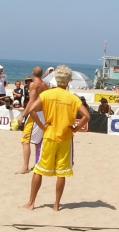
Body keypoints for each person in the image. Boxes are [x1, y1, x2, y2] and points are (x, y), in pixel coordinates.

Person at [21, 65, 90, 211]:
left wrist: (41, 126)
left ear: (56, 79)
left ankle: (31, 203)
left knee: (39, 169)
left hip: (49, 135)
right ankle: (56, 205)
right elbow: (87, 116)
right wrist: (76, 129)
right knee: (62, 172)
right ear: (69, 81)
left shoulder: (48, 94)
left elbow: (32, 110)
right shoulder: (73, 98)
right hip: (66, 137)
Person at [16, 67, 49, 175]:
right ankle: (37, 163)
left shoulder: (34, 85)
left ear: (33, 74)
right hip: (43, 114)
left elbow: (31, 101)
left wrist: (22, 116)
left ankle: (25, 167)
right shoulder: (46, 86)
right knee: (37, 141)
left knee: (25, 141)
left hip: (34, 114)